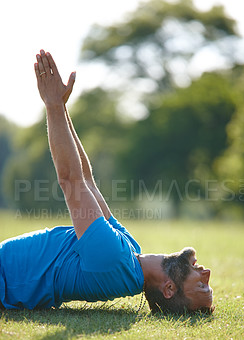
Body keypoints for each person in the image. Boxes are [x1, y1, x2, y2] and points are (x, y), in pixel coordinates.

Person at [0, 50, 214, 314]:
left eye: (202, 287)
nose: (207, 274)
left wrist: (52, 105)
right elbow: (87, 180)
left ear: (169, 289)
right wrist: (62, 109)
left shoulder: (113, 261)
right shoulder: (131, 253)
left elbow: (71, 181)